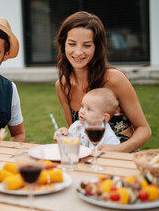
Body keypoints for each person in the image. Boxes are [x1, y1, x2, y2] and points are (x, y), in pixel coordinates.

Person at [55, 11, 151, 152]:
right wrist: (64, 134)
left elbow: (144, 129)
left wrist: (118, 150)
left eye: (87, 45)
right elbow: (77, 133)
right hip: (89, 160)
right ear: (63, 44)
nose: (78, 52)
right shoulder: (62, 85)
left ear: (97, 47)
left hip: (123, 159)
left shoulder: (114, 79)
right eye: (72, 44)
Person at [54, 88, 120, 149]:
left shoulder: (108, 136)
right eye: (82, 106)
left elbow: (114, 154)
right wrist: (63, 135)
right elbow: (68, 145)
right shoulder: (76, 126)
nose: (82, 111)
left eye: (89, 109)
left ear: (104, 118)